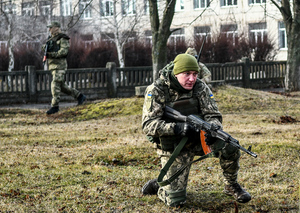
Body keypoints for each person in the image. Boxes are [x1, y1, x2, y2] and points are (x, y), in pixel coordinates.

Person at [141, 53, 251, 207]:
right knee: (176, 202)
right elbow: (148, 125)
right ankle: (160, 186)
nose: (192, 79)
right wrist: (178, 128)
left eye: (195, 74)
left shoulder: (200, 87)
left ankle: (231, 185)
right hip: (174, 146)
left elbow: (213, 115)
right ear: (176, 73)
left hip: (200, 139)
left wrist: (213, 130)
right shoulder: (157, 89)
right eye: (187, 74)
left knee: (230, 144)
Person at [42, 21, 86, 115]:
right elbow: (45, 48)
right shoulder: (50, 39)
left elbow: (64, 52)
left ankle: (55, 106)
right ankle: (80, 96)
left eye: (51, 27)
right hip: (53, 66)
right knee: (61, 86)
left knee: (55, 84)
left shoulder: (63, 38)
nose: (49, 29)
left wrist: (52, 54)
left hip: (60, 66)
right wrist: (46, 48)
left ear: (55, 28)